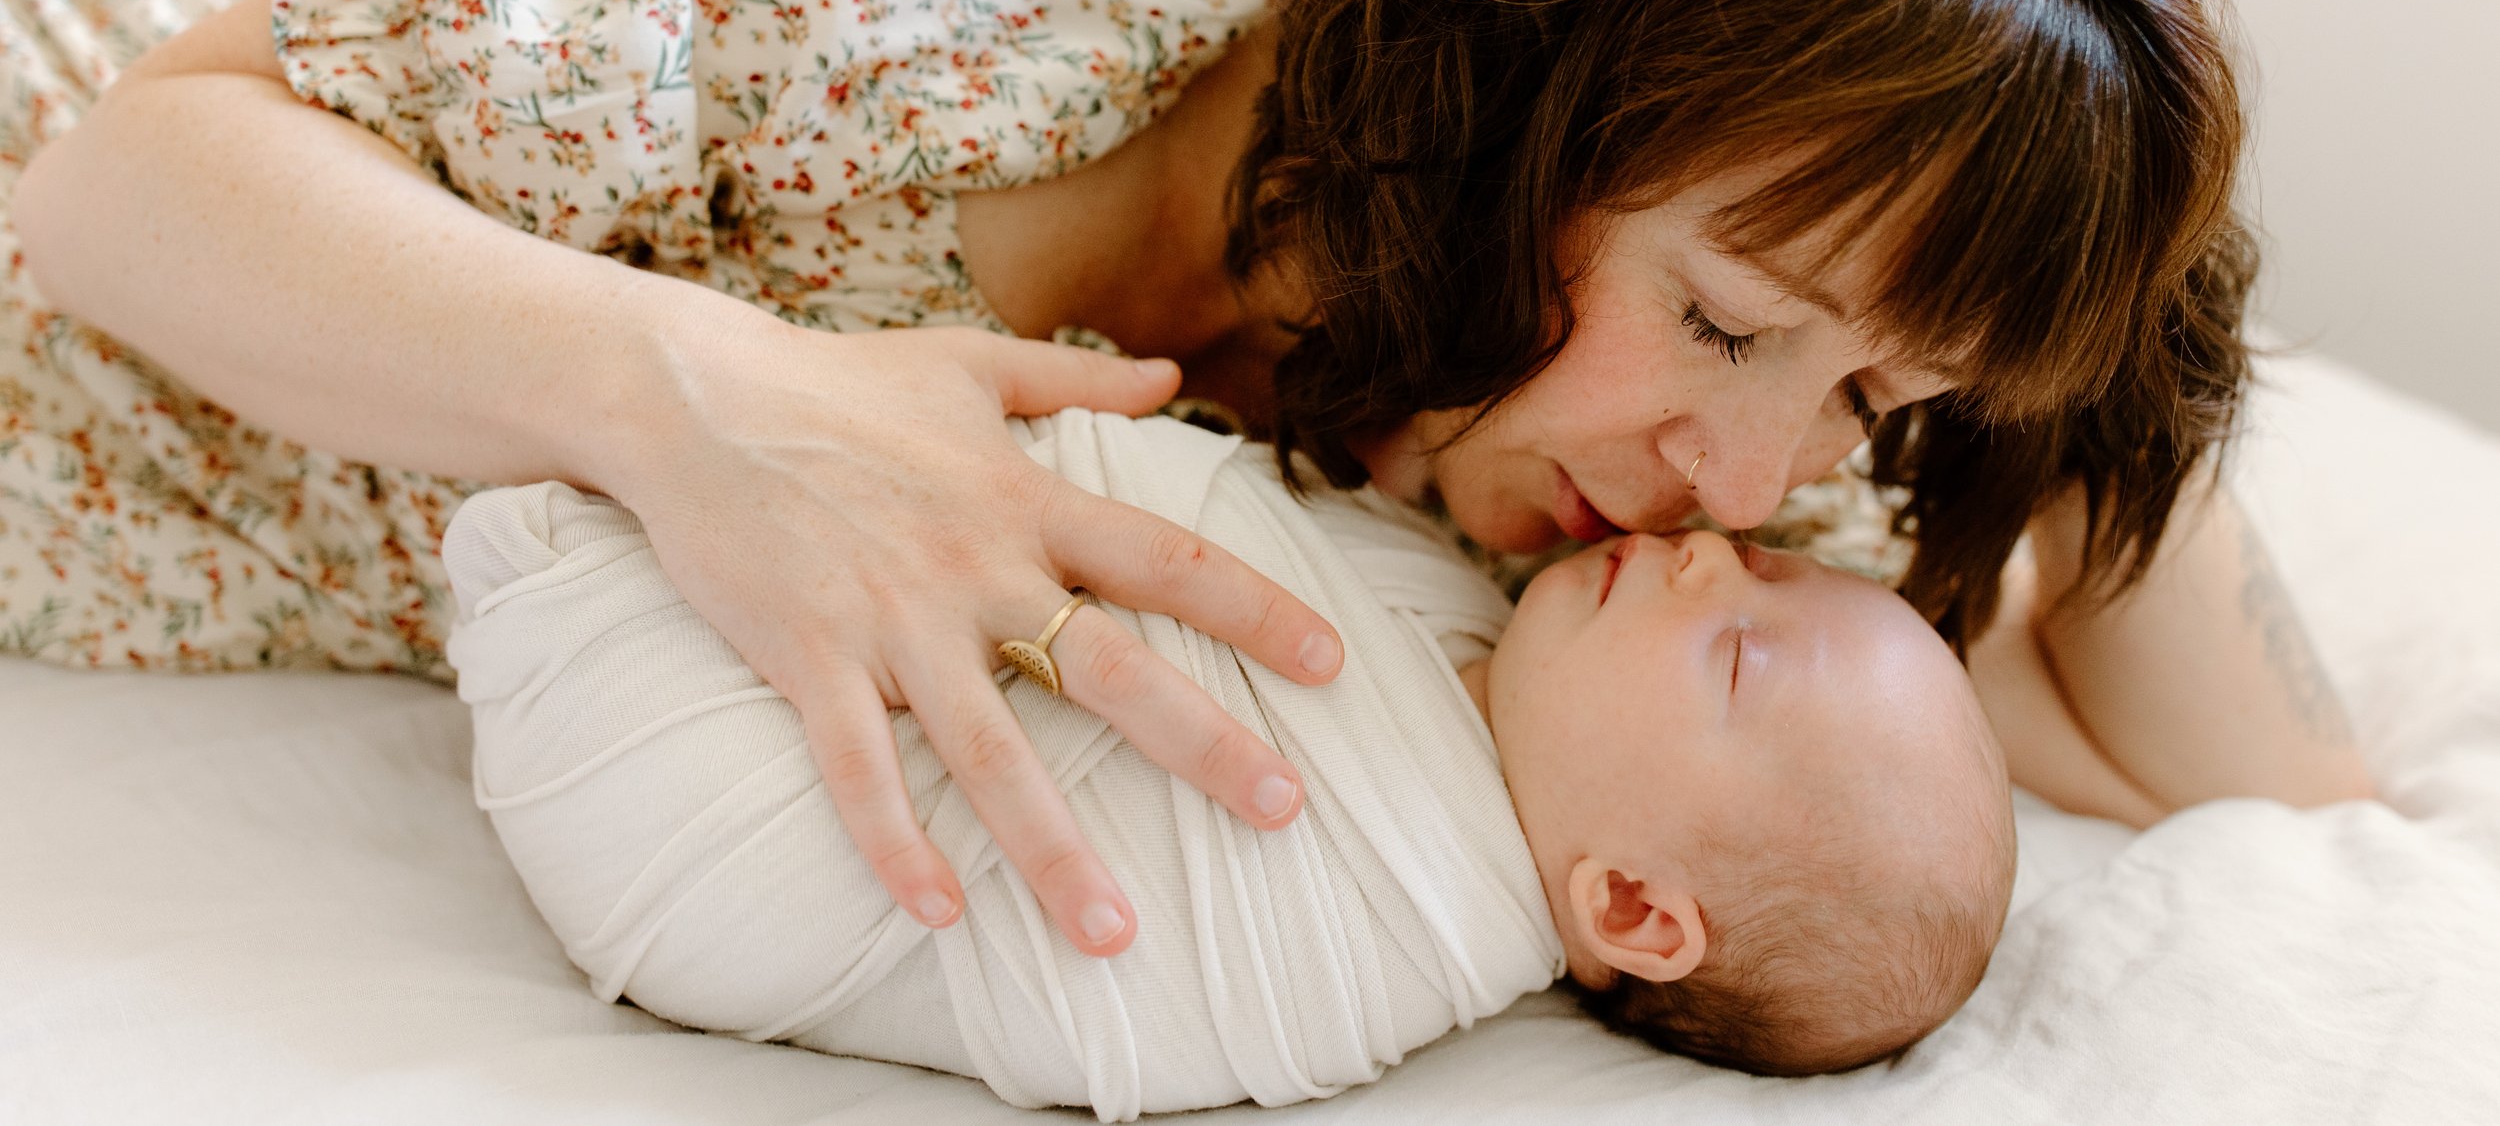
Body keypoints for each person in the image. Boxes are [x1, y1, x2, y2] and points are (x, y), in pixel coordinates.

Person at [4, 0, 2368, 964]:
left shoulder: (1655, 508)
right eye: (1731, 321)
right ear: (1519, 79)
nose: (1740, 477)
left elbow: (2267, 792)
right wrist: (693, 400)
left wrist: (2110, 330)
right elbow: (130, 182)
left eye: (1873, 396)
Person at [444, 407, 2014, 1117]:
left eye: (1740, 649)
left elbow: (1116, 1009)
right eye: (1772, 565)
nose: (1709, 555)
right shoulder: (1486, 635)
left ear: (1635, 911)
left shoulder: (1378, 934)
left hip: (684, 828)